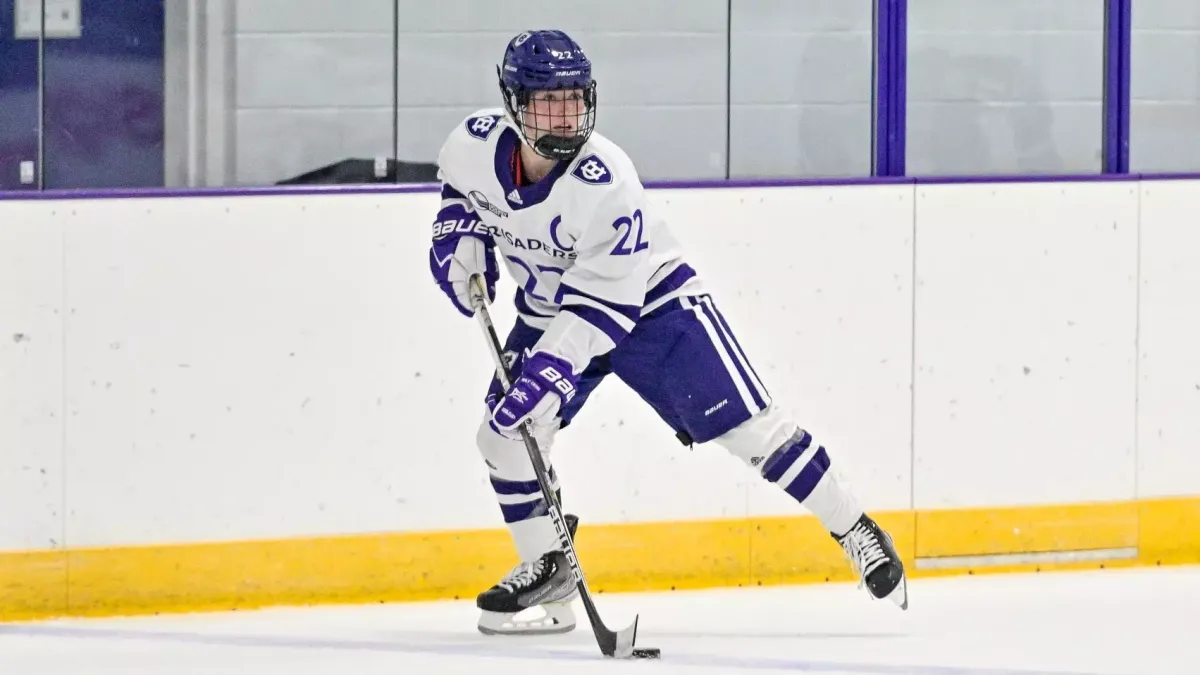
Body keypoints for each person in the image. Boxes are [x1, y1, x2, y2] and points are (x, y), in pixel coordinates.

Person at [428, 29, 908, 636]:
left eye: (574, 99)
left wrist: (551, 370)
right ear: (513, 103)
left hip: (651, 306)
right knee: (503, 436)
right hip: (552, 307)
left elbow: (601, 309)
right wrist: (455, 233)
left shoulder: (605, 180)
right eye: (547, 101)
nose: (565, 114)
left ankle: (854, 528)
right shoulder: (471, 143)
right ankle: (548, 575)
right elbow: (463, 194)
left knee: (750, 430)